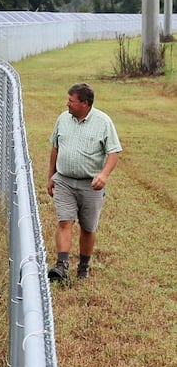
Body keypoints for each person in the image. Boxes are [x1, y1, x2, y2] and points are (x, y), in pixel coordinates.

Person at [46, 82, 121, 283]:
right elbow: (55, 148)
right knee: (64, 221)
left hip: (91, 185)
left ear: (85, 104)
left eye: (71, 101)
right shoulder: (63, 119)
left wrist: (103, 175)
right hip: (64, 181)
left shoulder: (103, 122)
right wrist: (50, 176)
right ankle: (61, 266)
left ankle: (83, 267)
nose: (67, 104)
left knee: (88, 228)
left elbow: (113, 152)